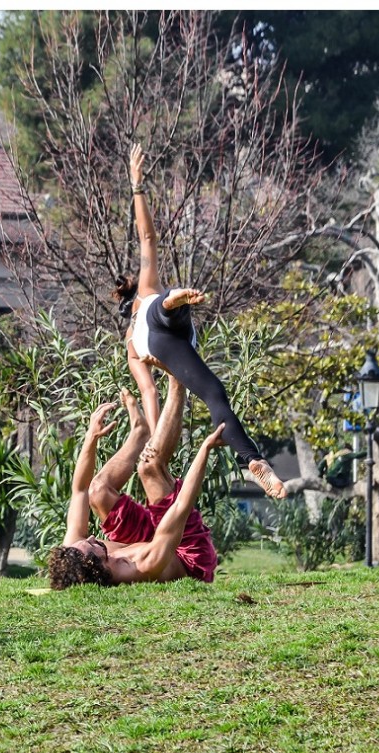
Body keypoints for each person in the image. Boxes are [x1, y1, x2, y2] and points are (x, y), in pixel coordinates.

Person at [115, 142, 285, 499]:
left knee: (213, 393)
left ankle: (253, 461)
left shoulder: (129, 347)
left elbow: (150, 395)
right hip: (163, 320)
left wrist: (156, 437)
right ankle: (175, 298)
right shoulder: (146, 287)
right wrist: (136, 184)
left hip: (155, 342)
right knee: (167, 308)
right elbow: (147, 236)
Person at [45, 375, 224, 589]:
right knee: (150, 467)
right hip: (187, 554)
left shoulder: (76, 555)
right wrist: (205, 449)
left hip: (149, 540)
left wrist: (91, 438)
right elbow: (181, 506)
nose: (92, 536)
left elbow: (80, 490)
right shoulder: (143, 566)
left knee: (98, 491)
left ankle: (140, 431)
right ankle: (177, 379)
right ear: (96, 566)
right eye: (92, 545)